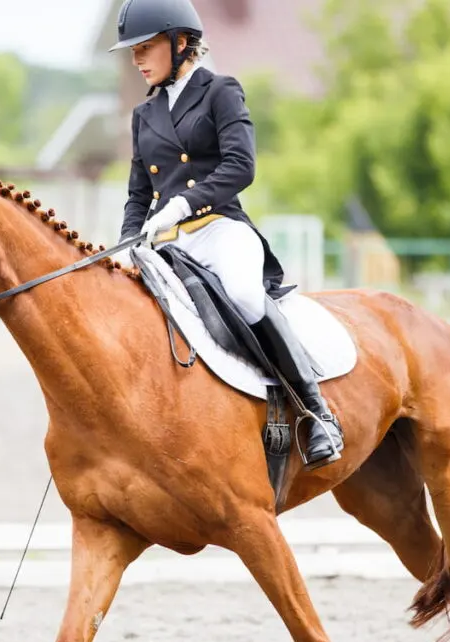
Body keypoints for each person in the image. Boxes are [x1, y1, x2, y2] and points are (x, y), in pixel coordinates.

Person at [109, 0, 343, 470]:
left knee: (245, 295)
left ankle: (315, 413)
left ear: (180, 43)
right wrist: (127, 243)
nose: (136, 58)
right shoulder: (143, 114)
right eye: (133, 49)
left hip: (219, 228)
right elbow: (137, 195)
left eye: (145, 47)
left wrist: (181, 204)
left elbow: (242, 166)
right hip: (168, 244)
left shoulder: (221, 91)